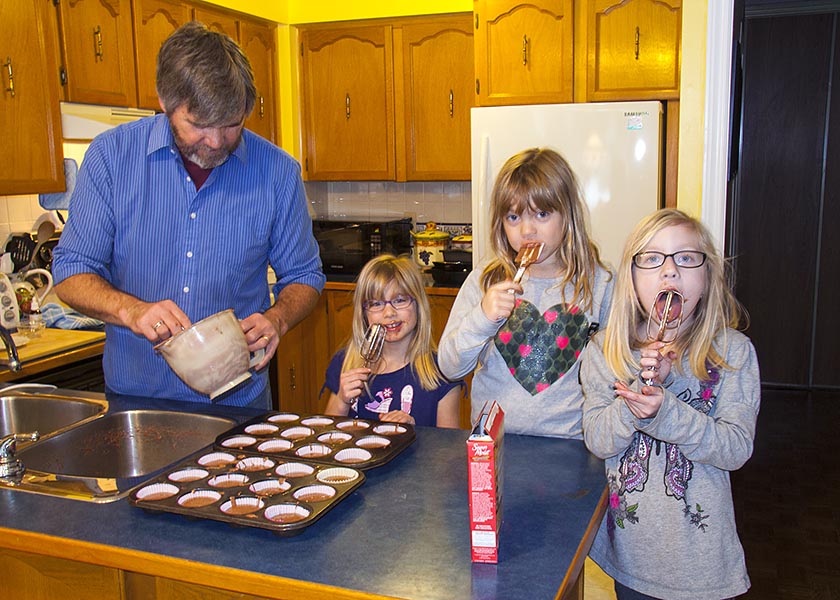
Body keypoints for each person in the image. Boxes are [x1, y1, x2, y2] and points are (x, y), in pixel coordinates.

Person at [52, 21, 325, 409]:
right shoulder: (110, 158)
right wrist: (132, 311)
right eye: (198, 125)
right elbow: (71, 271)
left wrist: (277, 318)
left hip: (239, 405)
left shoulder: (277, 172)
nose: (215, 142)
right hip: (136, 402)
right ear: (164, 102)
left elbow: (304, 275)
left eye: (231, 125)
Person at [580, 208, 760, 599]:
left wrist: (667, 411)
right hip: (631, 561)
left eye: (686, 257)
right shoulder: (604, 352)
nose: (670, 271)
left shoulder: (733, 353)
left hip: (703, 567)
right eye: (652, 258)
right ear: (632, 278)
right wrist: (637, 393)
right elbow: (598, 439)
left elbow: (735, 448)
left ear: (707, 276)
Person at [438, 147, 613, 437]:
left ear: (568, 215)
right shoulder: (485, 280)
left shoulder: (600, 284)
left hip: (571, 443)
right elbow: (449, 367)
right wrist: (482, 318)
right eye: (513, 217)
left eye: (542, 214)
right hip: (492, 443)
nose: (527, 230)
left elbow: (616, 373)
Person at [322, 254, 462, 427]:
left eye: (400, 300)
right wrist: (342, 400)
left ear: (418, 305)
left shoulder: (442, 372)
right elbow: (328, 433)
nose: (389, 313)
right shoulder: (345, 363)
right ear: (363, 313)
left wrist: (415, 432)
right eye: (376, 304)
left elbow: (448, 443)